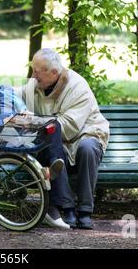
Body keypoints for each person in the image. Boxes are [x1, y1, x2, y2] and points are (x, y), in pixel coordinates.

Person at [0, 57, 70, 229]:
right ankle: (56, 205)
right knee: (39, 141)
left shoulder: (6, 91)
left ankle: (52, 169)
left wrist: (27, 119)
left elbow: (25, 111)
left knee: (53, 124)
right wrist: (4, 121)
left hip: (22, 136)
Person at [18, 48, 110, 230]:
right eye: (33, 69)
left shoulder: (77, 86)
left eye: (38, 71)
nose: (33, 75)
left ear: (54, 72)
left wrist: (37, 123)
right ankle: (66, 206)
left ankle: (84, 211)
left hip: (86, 133)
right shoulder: (36, 84)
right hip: (56, 142)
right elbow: (16, 94)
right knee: (49, 144)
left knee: (87, 148)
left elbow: (69, 127)